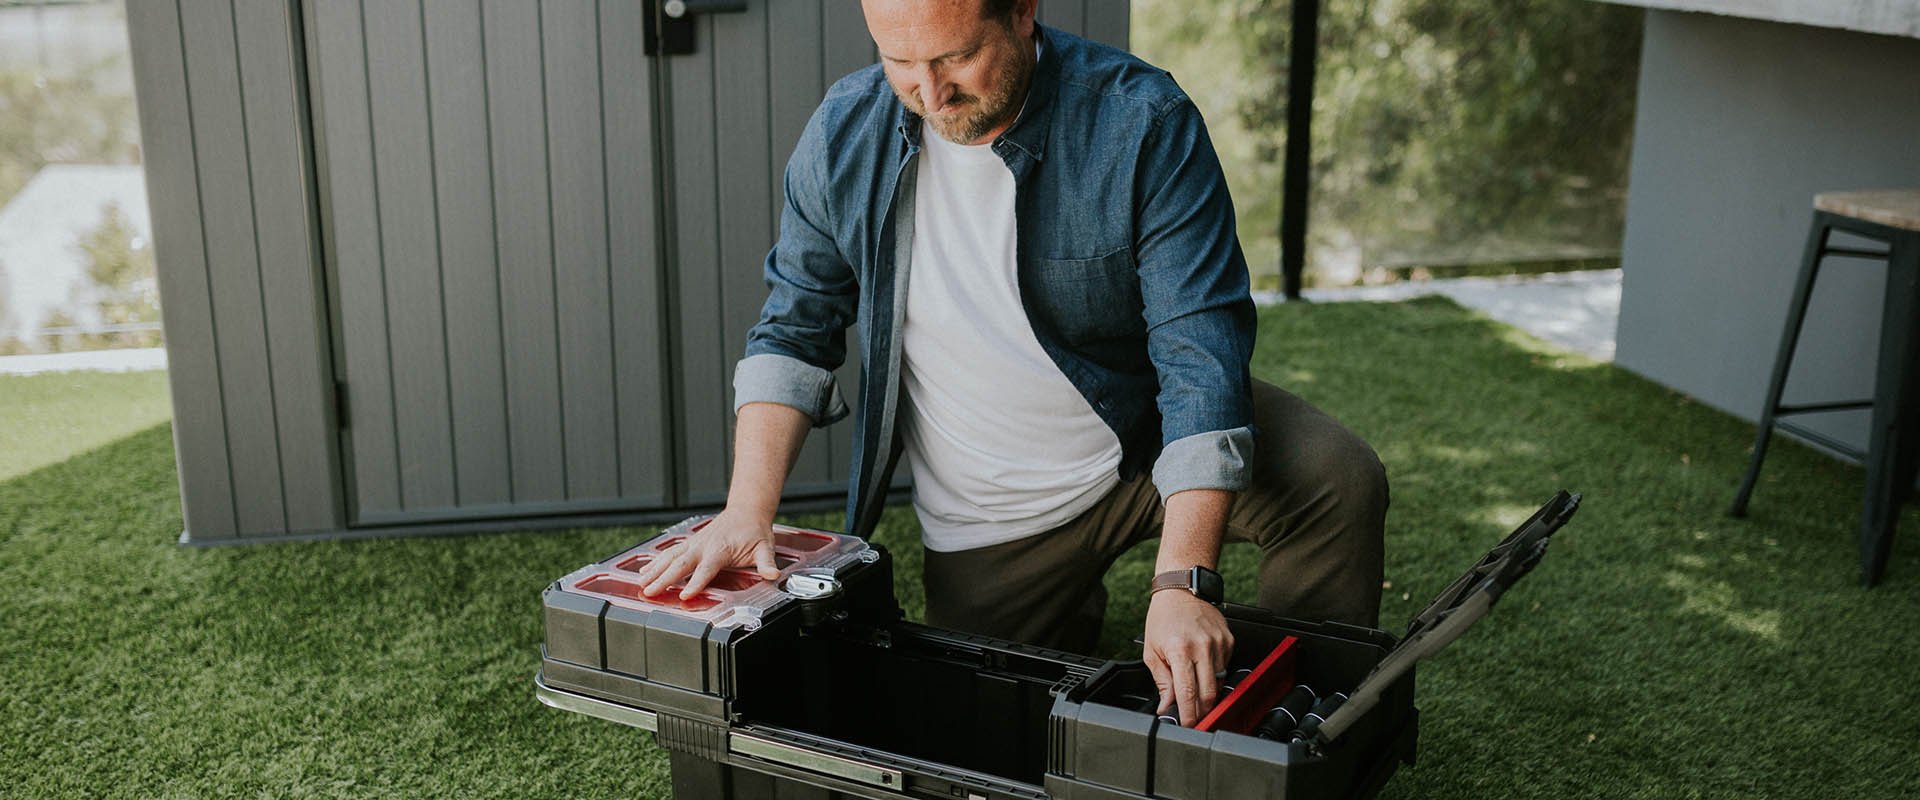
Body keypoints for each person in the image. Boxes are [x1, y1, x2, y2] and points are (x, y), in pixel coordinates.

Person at [634, 0, 1386, 727]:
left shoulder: (1142, 121)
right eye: (899, 60)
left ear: (1023, 11)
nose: (929, 92)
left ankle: (1287, 718)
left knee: (1336, 480)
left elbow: (1201, 353)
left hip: (1140, 435)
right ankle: (1069, 602)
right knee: (989, 733)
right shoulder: (843, 132)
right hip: (990, 515)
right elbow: (795, 328)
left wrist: (1186, 580)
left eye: (957, 56)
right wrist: (746, 511)